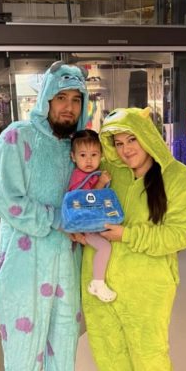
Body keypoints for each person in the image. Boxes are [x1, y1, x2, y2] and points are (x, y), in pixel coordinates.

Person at [80, 107, 186, 371]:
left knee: (149, 352)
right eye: (118, 143)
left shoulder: (178, 178)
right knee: (108, 349)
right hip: (99, 281)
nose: (125, 150)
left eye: (132, 139)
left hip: (147, 284)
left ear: (148, 137)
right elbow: (89, 207)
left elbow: (179, 235)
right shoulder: (111, 173)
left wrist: (127, 235)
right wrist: (81, 229)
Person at [0, 61, 90, 371]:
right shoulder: (17, 137)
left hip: (66, 255)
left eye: (76, 99)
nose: (68, 107)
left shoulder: (78, 146)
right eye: (61, 97)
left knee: (65, 329)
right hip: (25, 258)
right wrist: (56, 219)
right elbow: (0, 196)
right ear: (45, 98)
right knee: (23, 334)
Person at [68, 129, 116, 302]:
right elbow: (88, 200)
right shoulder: (78, 177)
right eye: (83, 155)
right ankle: (97, 283)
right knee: (105, 247)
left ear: (101, 155)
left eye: (94, 155)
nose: (88, 160)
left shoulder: (90, 174)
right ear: (73, 157)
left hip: (92, 224)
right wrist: (101, 182)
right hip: (85, 227)